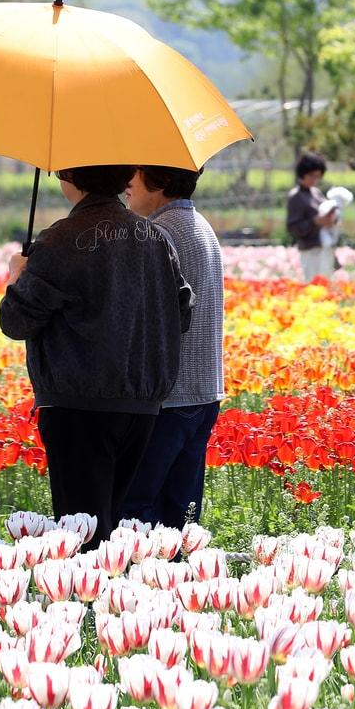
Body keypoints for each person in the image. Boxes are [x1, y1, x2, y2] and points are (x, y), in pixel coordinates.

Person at [0, 165, 193, 549]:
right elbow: (182, 312)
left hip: (77, 404)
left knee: (82, 534)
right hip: (141, 405)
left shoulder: (61, 240)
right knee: (112, 528)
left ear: (70, 177)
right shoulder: (154, 238)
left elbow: (16, 321)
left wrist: (17, 277)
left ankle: (91, 590)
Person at [120, 165, 224, 531]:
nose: (126, 183)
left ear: (161, 180)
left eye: (134, 173)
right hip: (203, 390)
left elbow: (143, 314)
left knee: (135, 508)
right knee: (180, 513)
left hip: (168, 396)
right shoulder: (200, 226)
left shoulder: (159, 233)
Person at [286, 153, 338, 281]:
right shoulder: (296, 196)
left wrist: (332, 219)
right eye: (311, 176)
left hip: (325, 246)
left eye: (318, 176)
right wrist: (315, 222)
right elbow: (293, 228)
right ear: (302, 174)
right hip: (310, 250)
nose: (315, 180)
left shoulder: (317, 193)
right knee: (314, 284)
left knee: (326, 284)